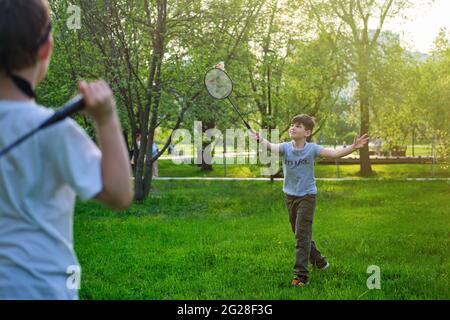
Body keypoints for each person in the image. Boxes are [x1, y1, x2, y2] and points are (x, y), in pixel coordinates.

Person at [0, 0, 133, 300]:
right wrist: (107, 119)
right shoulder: (54, 132)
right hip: (41, 289)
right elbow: (119, 194)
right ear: (45, 48)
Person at [250, 114, 368, 286]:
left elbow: (334, 154)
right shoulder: (285, 147)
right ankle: (320, 262)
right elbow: (270, 147)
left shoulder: (312, 149)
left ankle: (300, 276)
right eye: (292, 125)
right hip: (290, 196)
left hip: (307, 196)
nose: (293, 128)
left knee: (301, 236)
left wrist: (353, 147)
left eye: (298, 126)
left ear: (307, 132)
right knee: (300, 234)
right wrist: (260, 139)